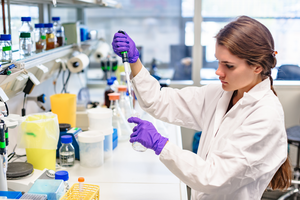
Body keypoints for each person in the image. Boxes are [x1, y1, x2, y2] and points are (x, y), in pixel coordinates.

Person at [112, 16, 292, 200]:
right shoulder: (222, 93)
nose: (218, 72)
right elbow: (159, 100)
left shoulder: (266, 116)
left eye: (229, 65)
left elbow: (213, 177)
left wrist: (161, 145)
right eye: (218, 62)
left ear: (257, 67)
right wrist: (134, 61)